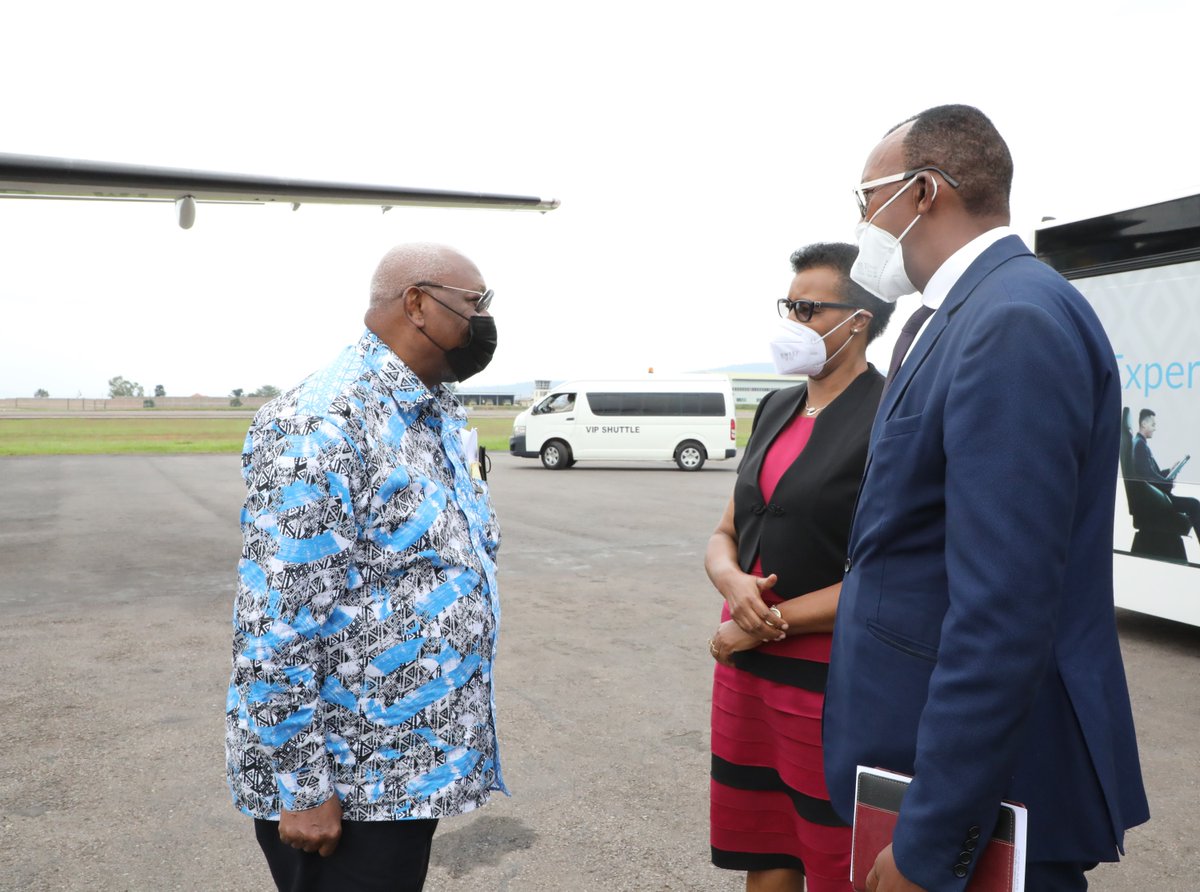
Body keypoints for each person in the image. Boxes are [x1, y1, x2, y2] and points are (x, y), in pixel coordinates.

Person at [822, 105, 1150, 892]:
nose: (863, 220)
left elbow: (1003, 610)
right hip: (933, 769)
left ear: (923, 191)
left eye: (866, 197)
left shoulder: (1012, 321)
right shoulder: (964, 314)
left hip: (983, 803)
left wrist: (931, 844)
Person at [225, 243, 504, 892]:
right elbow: (276, 619)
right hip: (344, 785)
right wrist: (303, 785)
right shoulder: (325, 420)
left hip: (398, 770)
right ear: (417, 303)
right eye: (475, 304)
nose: (484, 322)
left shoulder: (426, 410)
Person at [705, 242, 894, 892]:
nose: (791, 322)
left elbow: (887, 575)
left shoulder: (889, 416)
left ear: (859, 320)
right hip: (746, 667)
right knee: (766, 845)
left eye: (807, 308)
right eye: (787, 305)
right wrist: (732, 583)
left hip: (823, 678)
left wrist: (761, 624)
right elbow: (727, 532)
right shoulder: (776, 407)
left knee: (831, 852)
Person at [1132, 408, 1198, 536]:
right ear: (1144, 424)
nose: (1155, 428)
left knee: (1194, 504)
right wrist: (1167, 484)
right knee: (1194, 505)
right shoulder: (1139, 445)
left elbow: (1151, 473)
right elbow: (1148, 477)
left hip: (1156, 498)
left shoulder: (1140, 444)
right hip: (1155, 503)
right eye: (1153, 425)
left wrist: (1169, 471)